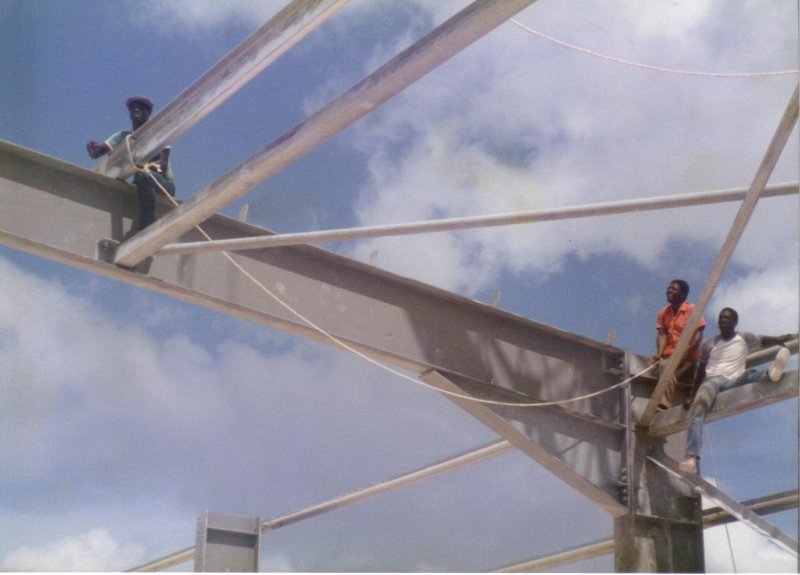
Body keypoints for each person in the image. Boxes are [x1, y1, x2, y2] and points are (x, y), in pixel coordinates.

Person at [678, 307, 795, 473]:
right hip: (712, 380)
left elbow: (763, 340)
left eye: (726, 318)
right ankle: (691, 457)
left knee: (750, 374)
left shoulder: (744, 337)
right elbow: (701, 370)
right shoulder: (708, 344)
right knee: (698, 409)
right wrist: (692, 395)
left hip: (734, 379)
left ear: (734, 322)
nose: (722, 320)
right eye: (720, 318)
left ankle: (770, 373)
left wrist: (779, 339)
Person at [87, 96, 175, 230]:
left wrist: (140, 166)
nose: (136, 109)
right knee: (119, 178)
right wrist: (94, 151)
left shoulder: (159, 134)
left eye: (140, 107)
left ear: (148, 112)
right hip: (142, 183)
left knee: (143, 176)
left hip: (163, 184)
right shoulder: (123, 137)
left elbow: (162, 166)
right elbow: (100, 151)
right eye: (133, 108)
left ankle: (147, 227)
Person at [651, 279, 705, 410]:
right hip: (670, 355)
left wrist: (685, 353)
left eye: (674, 289)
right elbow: (662, 335)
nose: (669, 290)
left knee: (665, 366)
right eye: (669, 288)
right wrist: (659, 354)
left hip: (689, 358)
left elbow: (698, 334)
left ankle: (664, 404)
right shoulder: (663, 313)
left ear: (683, 295)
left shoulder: (691, 309)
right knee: (657, 365)